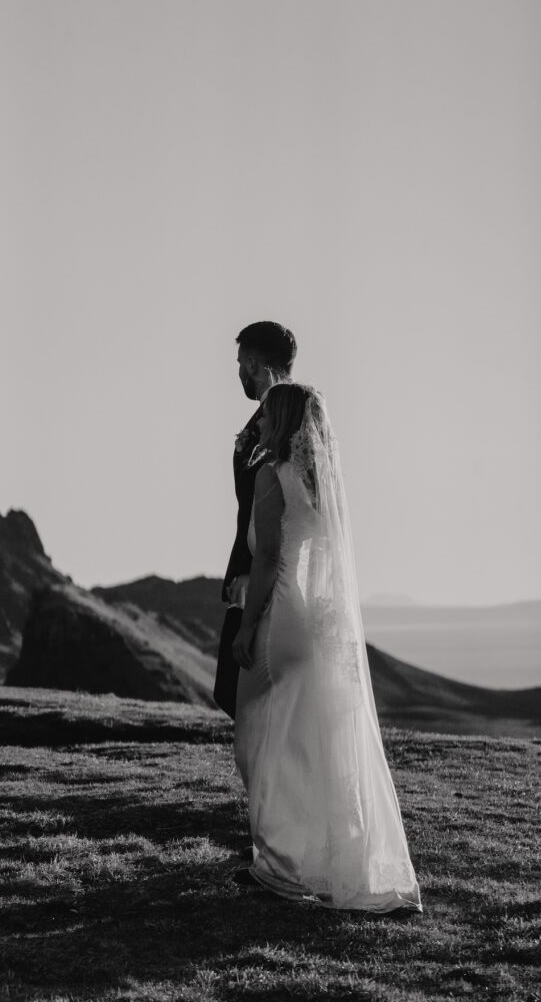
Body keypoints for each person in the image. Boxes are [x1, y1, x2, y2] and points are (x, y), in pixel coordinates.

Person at [231, 383, 423, 913]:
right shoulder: (323, 484)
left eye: (268, 417)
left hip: (281, 620)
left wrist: (247, 628)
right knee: (311, 743)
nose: (261, 425)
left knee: (256, 738)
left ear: (286, 423)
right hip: (317, 623)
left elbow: (268, 558)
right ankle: (320, 861)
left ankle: (278, 867)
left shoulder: (272, 475)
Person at [213, 322, 296, 719]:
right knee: (236, 696)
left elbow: (268, 510)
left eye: (240, 363)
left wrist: (248, 574)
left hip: (262, 581)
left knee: (238, 696)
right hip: (267, 575)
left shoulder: (276, 426)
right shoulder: (296, 420)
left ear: (251, 362)